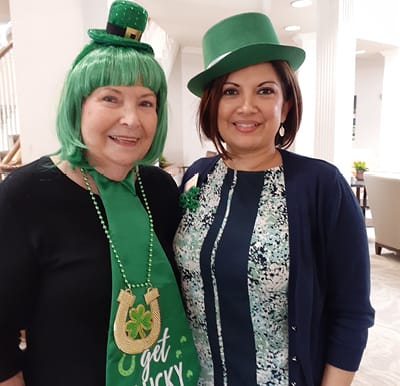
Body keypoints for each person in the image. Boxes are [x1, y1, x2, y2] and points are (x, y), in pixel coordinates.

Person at [0, 1, 199, 385]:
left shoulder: (158, 188)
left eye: (146, 103)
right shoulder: (27, 194)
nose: (131, 118)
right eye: (110, 98)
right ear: (79, 104)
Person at [173, 11, 375, 386]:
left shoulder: (321, 186)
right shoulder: (196, 177)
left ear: (286, 104)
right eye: (231, 91)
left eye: (265, 90)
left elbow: (351, 313)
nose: (247, 106)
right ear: (212, 105)